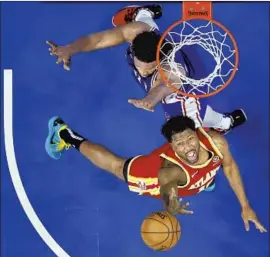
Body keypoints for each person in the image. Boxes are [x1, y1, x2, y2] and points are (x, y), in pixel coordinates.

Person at [45, 115, 266, 233]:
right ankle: (66, 135)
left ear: (198, 135)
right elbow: (169, 200)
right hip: (154, 172)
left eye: (190, 139)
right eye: (178, 143)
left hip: (191, 175)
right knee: (115, 166)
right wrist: (173, 207)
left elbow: (228, 166)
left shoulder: (215, 141)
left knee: (203, 170)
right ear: (171, 145)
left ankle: (202, 181)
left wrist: (245, 206)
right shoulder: (169, 172)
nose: (187, 146)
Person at [46, 4, 246, 134]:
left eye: (147, 68)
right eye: (138, 62)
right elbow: (97, 39)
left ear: (157, 63)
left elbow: (162, 88)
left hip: (187, 80)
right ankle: (144, 12)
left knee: (191, 117)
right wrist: (70, 49)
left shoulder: (172, 71)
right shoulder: (138, 33)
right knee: (143, 23)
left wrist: (148, 100)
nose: (141, 71)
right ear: (133, 46)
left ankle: (224, 123)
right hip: (154, 39)